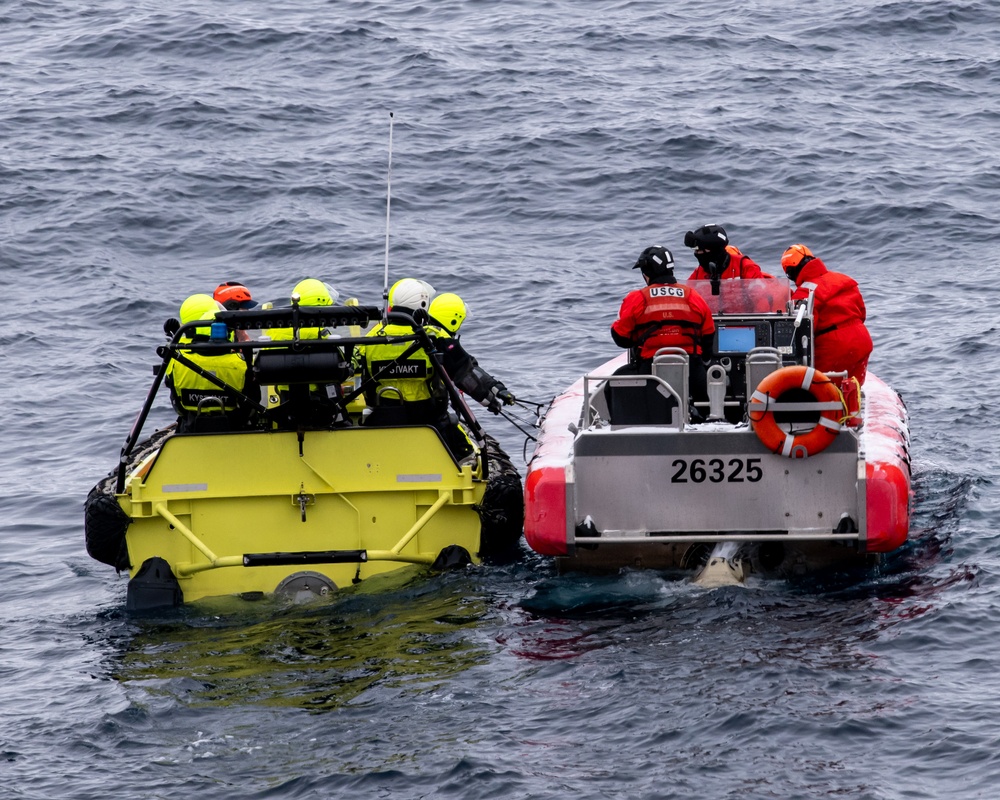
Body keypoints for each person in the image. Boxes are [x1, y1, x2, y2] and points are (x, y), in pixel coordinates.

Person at [611, 246, 715, 403]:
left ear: (647, 272)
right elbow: (708, 335)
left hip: (650, 372)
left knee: (617, 387)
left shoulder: (637, 298)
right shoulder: (693, 296)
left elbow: (620, 338)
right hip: (693, 373)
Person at [780, 243, 873, 418]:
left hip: (835, 345)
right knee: (851, 387)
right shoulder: (842, 279)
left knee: (826, 393)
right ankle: (853, 420)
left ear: (791, 271)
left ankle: (832, 429)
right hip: (862, 338)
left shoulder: (805, 291)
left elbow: (805, 330)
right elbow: (861, 312)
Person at [164, 293, 256, 432]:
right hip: (235, 428)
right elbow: (252, 401)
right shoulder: (240, 363)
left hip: (191, 429)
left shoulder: (176, 357)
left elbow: (178, 405)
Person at [427, 292, 516, 414]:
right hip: (428, 413)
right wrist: (490, 401)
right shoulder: (443, 342)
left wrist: (497, 388)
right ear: (453, 321)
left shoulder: (416, 334)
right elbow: (465, 374)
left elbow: (468, 366)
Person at [684, 224, 764, 282]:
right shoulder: (698, 273)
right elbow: (687, 294)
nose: (697, 254)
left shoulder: (745, 267)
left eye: (699, 250)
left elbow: (761, 297)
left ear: (712, 250)